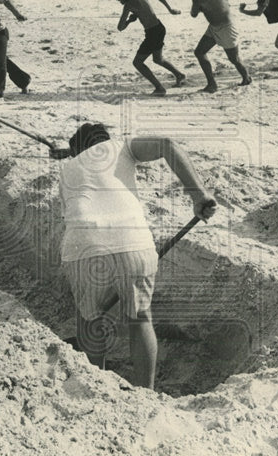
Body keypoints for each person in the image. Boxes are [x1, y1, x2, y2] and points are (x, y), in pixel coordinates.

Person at [58, 122, 217, 390]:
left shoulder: (67, 169)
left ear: (78, 150)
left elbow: (71, 217)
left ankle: (94, 387)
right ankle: (146, 393)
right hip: (133, 241)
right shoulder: (121, 146)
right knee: (140, 317)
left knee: (89, 319)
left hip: (82, 246)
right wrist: (198, 193)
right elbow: (167, 144)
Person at [181, 0, 251, 91]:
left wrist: (203, 8)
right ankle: (212, 84)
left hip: (226, 27)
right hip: (215, 26)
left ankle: (246, 77)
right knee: (199, 52)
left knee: (234, 59)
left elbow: (193, 14)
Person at [111, 0, 186, 96]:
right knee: (158, 59)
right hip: (160, 28)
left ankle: (159, 88)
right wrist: (170, 9)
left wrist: (130, 20)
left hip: (152, 33)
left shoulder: (128, 5)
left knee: (137, 63)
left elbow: (120, 27)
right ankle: (179, 75)